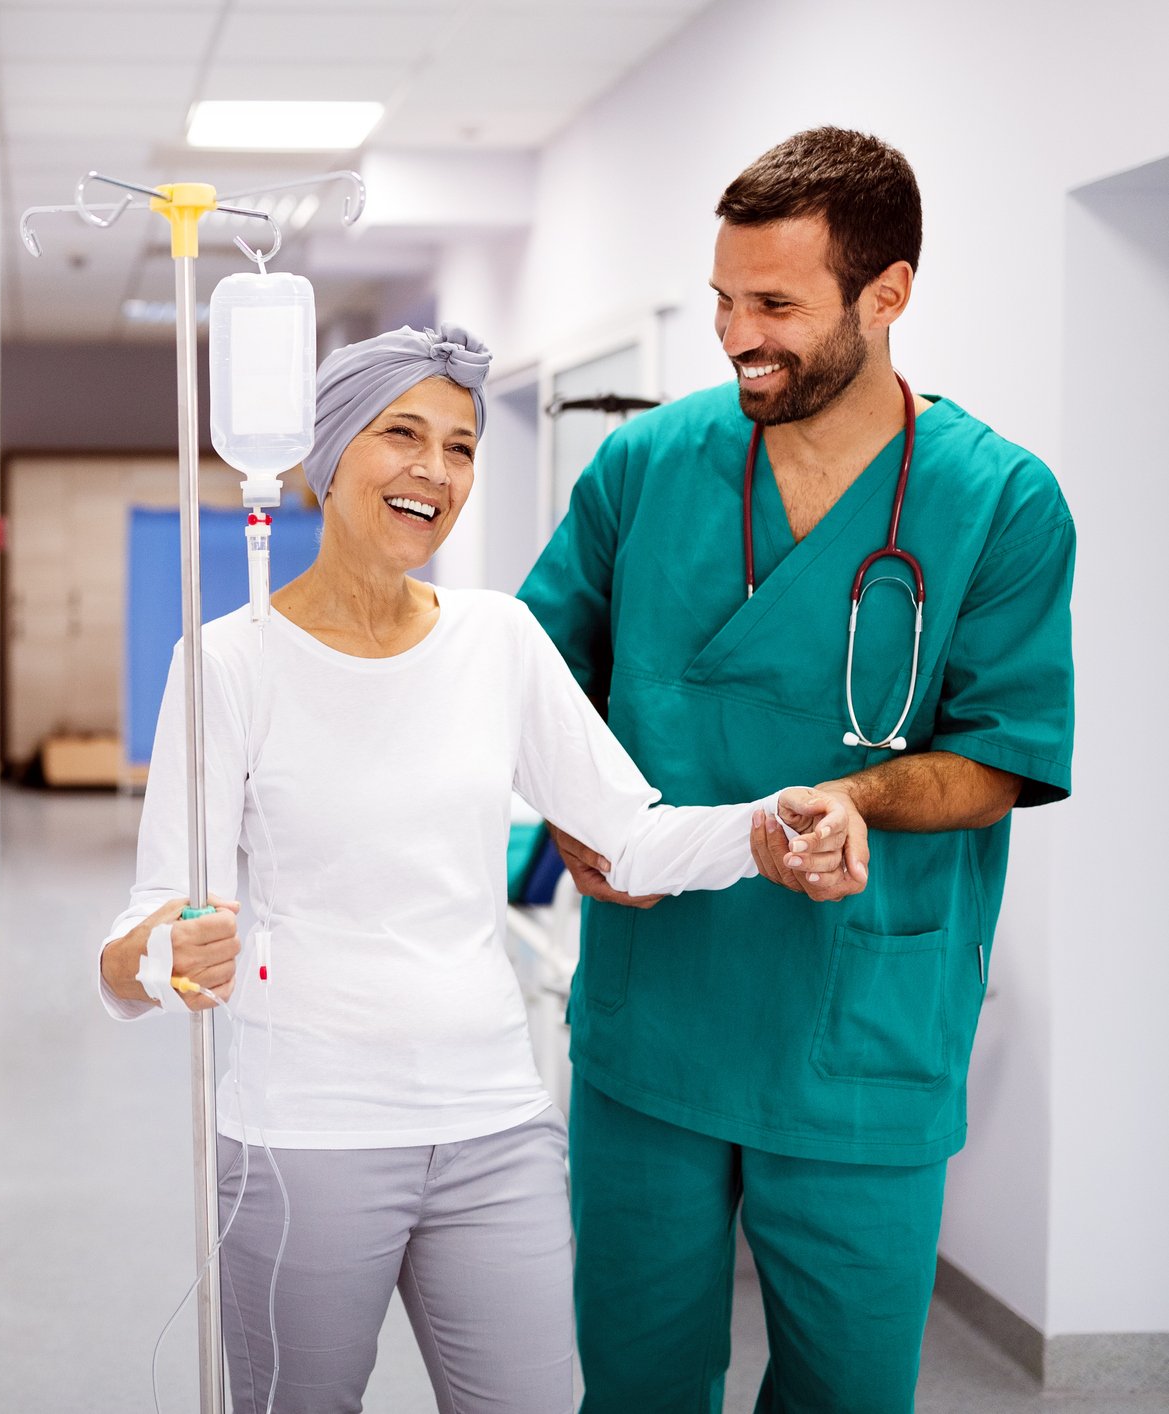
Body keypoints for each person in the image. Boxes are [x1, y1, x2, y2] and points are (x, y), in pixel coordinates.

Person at [96, 325, 865, 1413]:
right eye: (400, 434)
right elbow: (142, 935)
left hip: (493, 1123)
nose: (435, 471)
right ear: (323, 453)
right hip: (304, 1138)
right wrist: (160, 956)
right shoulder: (226, 662)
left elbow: (629, 834)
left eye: (460, 448)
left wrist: (761, 827)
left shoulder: (497, 639)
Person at [518, 127, 1076, 1411]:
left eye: (776, 304)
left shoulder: (1002, 503)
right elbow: (534, 680)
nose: (735, 334)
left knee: (848, 1388)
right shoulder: (647, 466)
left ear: (889, 294)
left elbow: (1002, 753)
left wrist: (858, 797)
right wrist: (577, 822)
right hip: (653, 1016)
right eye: (723, 299)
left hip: (859, 1033)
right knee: (636, 1377)